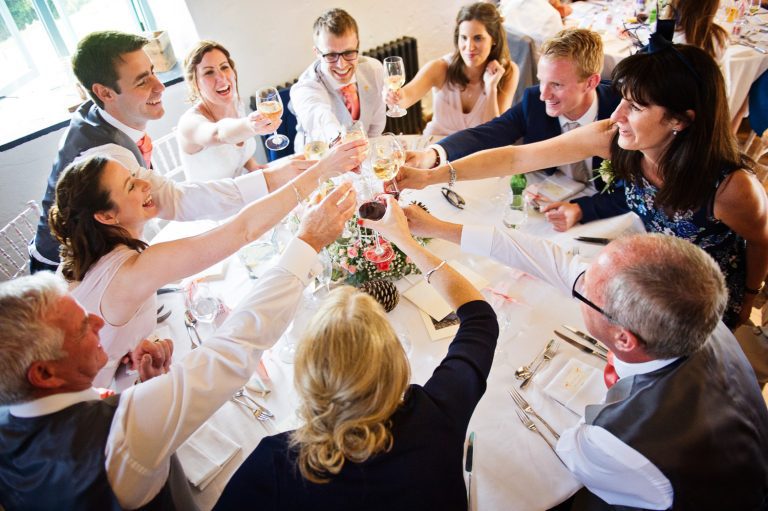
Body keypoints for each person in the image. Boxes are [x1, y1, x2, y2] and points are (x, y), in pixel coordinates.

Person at [0, 188, 354, 510]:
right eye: (80, 329)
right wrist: (307, 243)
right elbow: (231, 349)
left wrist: (145, 386)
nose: (99, 324)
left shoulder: (11, 416)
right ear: (43, 373)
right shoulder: (115, 438)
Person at [400, 205, 768, 510]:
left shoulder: (613, 440)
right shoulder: (697, 314)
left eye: (588, 291)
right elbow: (554, 261)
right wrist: (430, 227)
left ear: (624, 338)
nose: (576, 282)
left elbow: (567, 455)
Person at [395, 39, 768, 328]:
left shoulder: (732, 188)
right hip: (659, 272)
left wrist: (747, 303)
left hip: (710, 299)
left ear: (680, 121)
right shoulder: (614, 137)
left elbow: (760, 242)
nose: (617, 115)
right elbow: (515, 157)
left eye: (636, 108)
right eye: (622, 100)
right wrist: (432, 175)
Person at [214, 196, 498, 511]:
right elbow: (480, 318)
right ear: (396, 364)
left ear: (308, 376)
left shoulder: (276, 463)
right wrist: (405, 241)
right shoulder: (438, 412)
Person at [48, 143, 362, 389]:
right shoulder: (133, 271)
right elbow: (243, 230)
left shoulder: (95, 256)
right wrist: (321, 172)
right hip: (91, 420)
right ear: (106, 217)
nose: (146, 186)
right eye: (131, 186)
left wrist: (131, 354)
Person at [31, 31, 309, 274]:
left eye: (153, 71)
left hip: (126, 246)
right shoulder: (103, 156)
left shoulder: (104, 114)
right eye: (142, 81)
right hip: (75, 273)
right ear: (104, 92)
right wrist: (272, 179)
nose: (161, 86)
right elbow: (177, 200)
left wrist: (254, 168)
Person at [406, 28, 618, 184]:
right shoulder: (533, 100)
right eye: (541, 81)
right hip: (551, 196)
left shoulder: (619, 111)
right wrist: (432, 155)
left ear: (591, 82)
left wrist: (583, 209)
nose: (544, 94)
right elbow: (488, 134)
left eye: (556, 84)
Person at [384, 3, 519, 137]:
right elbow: (406, 97)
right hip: (434, 148)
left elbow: (496, 133)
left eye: (478, 38)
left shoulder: (508, 71)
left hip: (476, 152)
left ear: (494, 39)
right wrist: (394, 97)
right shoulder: (440, 68)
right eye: (464, 38)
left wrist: (491, 88)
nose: (469, 47)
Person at [177, 40, 290, 181]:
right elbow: (218, 134)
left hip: (238, 191)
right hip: (208, 201)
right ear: (195, 84)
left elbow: (238, 152)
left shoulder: (236, 102)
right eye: (209, 72)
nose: (222, 77)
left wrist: (253, 166)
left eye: (224, 67)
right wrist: (250, 126)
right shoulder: (188, 123)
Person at [291, 8, 386, 148]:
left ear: (358, 45)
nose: (341, 65)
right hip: (320, 158)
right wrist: (338, 140)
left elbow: (376, 128)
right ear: (317, 52)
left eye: (348, 53)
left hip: (363, 152)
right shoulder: (305, 87)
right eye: (331, 55)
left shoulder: (374, 70)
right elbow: (321, 118)